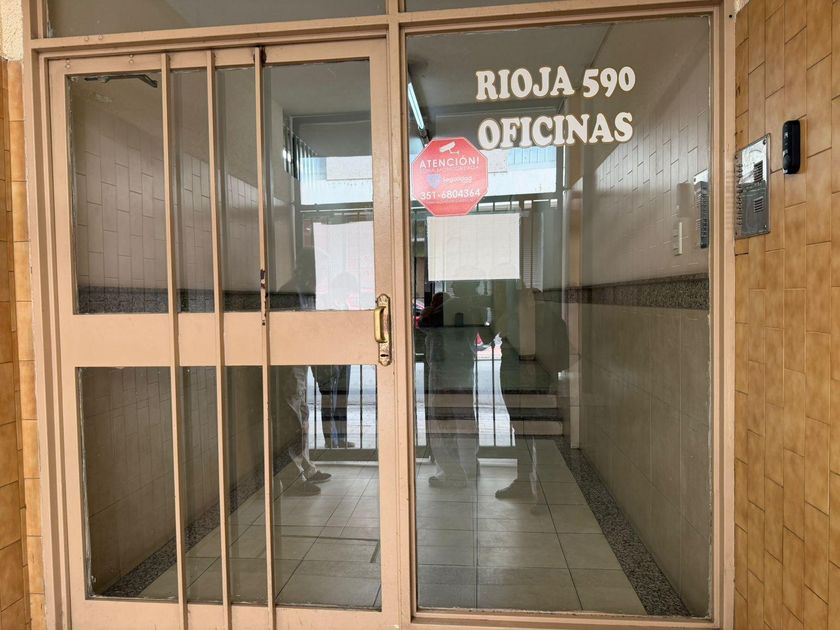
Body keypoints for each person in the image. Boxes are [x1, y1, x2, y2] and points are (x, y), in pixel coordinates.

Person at [422, 281, 490, 488]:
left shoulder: (450, 307)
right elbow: (486, 337)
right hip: (464, 371)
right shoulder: (476, 309)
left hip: (444, 372)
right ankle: (470, 465)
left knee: (444, 423)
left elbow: (425, 324)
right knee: (465, 419)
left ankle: (453, 473)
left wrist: (429, 311)